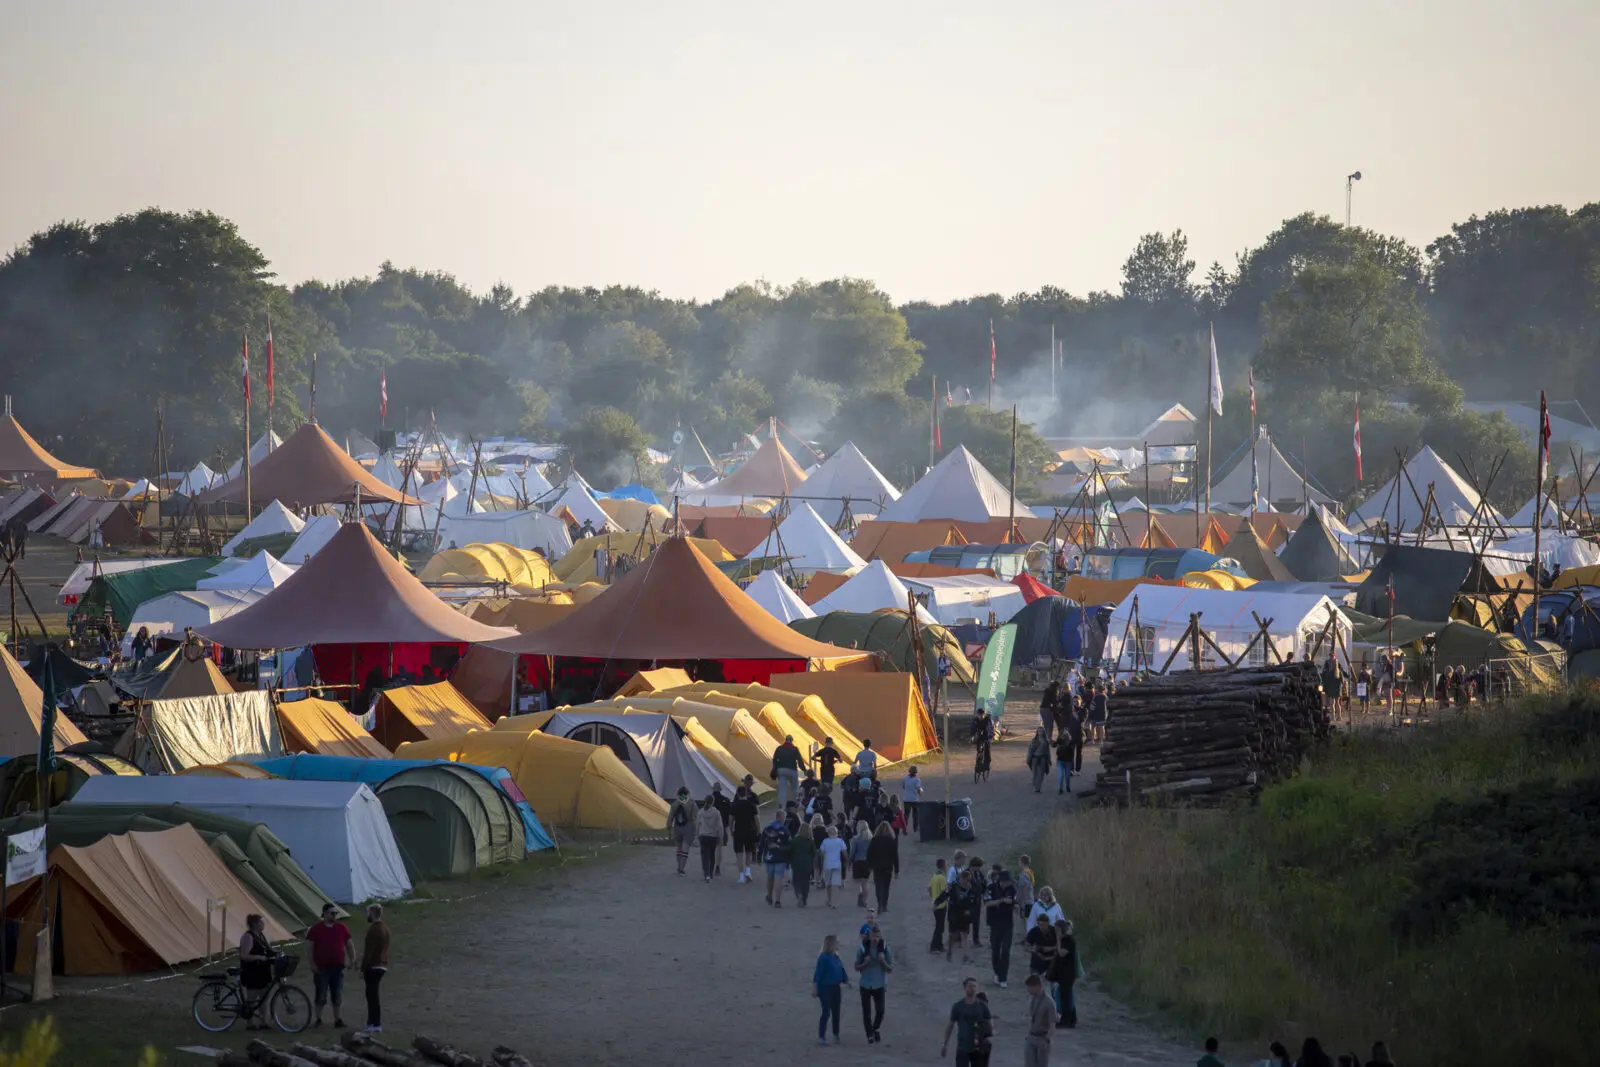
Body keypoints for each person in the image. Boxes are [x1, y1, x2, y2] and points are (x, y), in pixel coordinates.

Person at [306, 903, 354, 1029]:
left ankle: (338, 1019)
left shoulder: (341, 927)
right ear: (325, 914)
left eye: (336, 913)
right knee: (321, 994)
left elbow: (349, 944)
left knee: (337, 994)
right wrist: (312, 963)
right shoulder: (316, 929)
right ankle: (318, 1018)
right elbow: (309, 947)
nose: (334, 915)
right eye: (332, 913)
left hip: (337, 967)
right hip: (321, 967)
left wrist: (352, 959)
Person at [940, 976, 993, 1065]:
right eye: (970, 986)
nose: (972, 989)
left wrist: (988, 1033)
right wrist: (945, 1044)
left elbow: (989, 1021)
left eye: (974, 986)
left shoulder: (982, 1006)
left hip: (978, 1048)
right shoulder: (958, 1006)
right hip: (963, 1047)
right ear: (965, 988)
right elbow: (950, 1025)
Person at [854, 922, 893, 1044]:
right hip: (865, 983)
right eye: (873, 936)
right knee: (866, 1011)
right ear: (869, 936)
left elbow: (890, 969)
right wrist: (865, 963)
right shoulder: (863, 948)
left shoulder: (885, 947)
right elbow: (856, 967)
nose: (875, 939)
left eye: (877, 936)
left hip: (879, 983)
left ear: (880, 936)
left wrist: (883, 961)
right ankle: (869, 1034)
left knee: (880, 1010)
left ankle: (875, 1028)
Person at [237, 913, 274, 1030]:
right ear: (254, 924)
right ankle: (250, 1023)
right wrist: (258, 957)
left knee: (264, 997)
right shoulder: (248, 937)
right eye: (261, 922)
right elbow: (244, 955)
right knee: (252, 998)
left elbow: (267, 950)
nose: (263, 925)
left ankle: (263, 1022)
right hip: (252, 972)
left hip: (263, 971)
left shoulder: (261, 936)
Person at [812, 934, 850, 1046]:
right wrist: (815, 989)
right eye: (837, 942)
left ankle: (836, 1034)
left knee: (836, 1011)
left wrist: (846, 981)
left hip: (836, 987)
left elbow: (841, 970)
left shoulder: (836, 957)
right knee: (826, 1012)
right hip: (825, 988)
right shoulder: (823, 958)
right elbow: (818, 974)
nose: (839, 944)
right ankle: (821, 1036)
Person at [984, 867, 1016, 988]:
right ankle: (997, 971)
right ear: (1001, 880)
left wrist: (1013, 904)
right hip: (995, 924)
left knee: (1006, 950)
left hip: (1008, 924)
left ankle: (1004, 977)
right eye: (1007, 881)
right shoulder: (991, 888)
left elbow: (1014, 901)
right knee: (995, 950)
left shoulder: (1011, 889)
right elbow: (986, 903)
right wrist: (1000, 901)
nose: (1008, 883)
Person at [361, 904, 390, 1033]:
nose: (366, 915)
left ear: (372, 913)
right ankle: (372, 1022)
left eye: (367, 913)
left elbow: (369, 951)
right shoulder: (385, 928)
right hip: (382, 964)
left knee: (372, 995)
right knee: (372, 994)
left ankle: (375, 1023)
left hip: (374, 965)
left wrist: (363, 967)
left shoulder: (374, 930)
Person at [759, 812, 792, 907]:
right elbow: (789, 845)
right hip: (781, 857)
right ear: (781, 818)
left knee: (770, 877)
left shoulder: (767, 829)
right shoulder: (785, 830)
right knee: (779, 878)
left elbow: (761, 843)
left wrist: (759, 855)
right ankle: (777, 900)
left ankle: (769, 895)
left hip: (769, 857)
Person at [731, 782, 760, 884]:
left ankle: (741, 876)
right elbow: (756, 819)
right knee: (749, 852)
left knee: (739, 854)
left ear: (738, 794)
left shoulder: (735, 806)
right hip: (750, 830)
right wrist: (758, 830)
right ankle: (748, 872)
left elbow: (732, 819)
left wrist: (731, 829)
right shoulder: (751, 805)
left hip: (739, 831)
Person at [866, 821, 899, 912]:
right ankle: (884, 904)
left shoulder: (874, 840)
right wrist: (896, 870)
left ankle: (879, 903)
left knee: (878, 886)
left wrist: (869, 866)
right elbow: (895, 857)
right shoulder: (892, 841)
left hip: (877, 867)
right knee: (886, 887)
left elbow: (869, 854)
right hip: (888, 867)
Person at [1051, 919, 1078, 1028]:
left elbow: (1061, 953)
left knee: (1065, 997)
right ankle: (1070, 1019)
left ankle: (1066, 1020)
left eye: (1057, 929)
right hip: (1064, 972)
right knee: (1065, 995)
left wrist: (1058, 939)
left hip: (1068, 972)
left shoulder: (1068, 940)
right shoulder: (1065, 939)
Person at [1024, 974, 1054, 1067]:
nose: (1028, 990)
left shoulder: (1049, 1003)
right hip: (1031, 1036)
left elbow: (1052, 1024)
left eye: (1030, 987)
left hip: (1042, 1038)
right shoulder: (1032, 999)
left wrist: (1047, 1040)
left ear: (1037, 986)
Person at [667, 787, 697, 876]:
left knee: (679, 848)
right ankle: (682, 868)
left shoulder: (675, 803)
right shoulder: (691, 803)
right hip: (688, 826)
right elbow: (695, 816)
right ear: (687, 793)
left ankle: (679, 865)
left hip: (677, 826)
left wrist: (669, 828)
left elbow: (670, 817)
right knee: (685, 848)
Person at [817, 824, 848, 907]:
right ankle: (836, 902)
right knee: (835, 884)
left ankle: (830, 900)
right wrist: (847, 861)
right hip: (837, 865)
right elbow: (845, 852)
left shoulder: (825, 841)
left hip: (827, 864)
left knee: (828, 884)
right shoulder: (840, 841)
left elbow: (822, 853)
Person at [789, 817, 817, 906]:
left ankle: (799, 894)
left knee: (796, 881)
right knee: (806, 881)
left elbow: (790, 851)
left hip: (796, 863)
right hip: (807, 864)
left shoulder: (795, 840)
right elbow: (814, 853)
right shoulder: (810, 841)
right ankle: (804, 898)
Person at [695, 796, 724, 882]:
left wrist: (697, 835)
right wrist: (720, 836)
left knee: (704, 856)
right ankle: (710, 873)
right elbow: (719, 826)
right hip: (713, 836)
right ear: (713, 802)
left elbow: (698, 825)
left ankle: (706, 874)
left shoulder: (701, 812)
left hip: (703, 836)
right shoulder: (716, 812)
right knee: (712, 855)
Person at [772, 733, 804, 809]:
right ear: (791, 741)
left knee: (782, 789)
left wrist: (774, 769)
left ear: (785, 740)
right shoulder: (795, 749)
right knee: (794, 788)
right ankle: (795, 804)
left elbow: (774, 759)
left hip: (781, 770)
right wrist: (804, 770)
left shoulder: (779, 748)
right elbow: (799, 760)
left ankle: (782, 806)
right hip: (792, 770)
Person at [849, 819, 873, 908]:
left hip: (858, 861)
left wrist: (849, 862)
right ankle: (865, 899)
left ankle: (860, 895)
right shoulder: (871, 839)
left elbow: (852, 852)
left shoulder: (855, 839)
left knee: (858, 881)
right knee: (865, 882)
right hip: (867, 861)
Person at [929, 857, 949, 952]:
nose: (947, 866)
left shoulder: (934, 876)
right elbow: (944, 892)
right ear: (943, 866)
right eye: (946, 864)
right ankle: (934, 946)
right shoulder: (942, 878)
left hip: (934, 904)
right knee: (939, 927)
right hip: (941, 905)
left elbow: (929, 889)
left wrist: (932, 898)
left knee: (939, 926)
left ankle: (940, 946)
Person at [1026, 728, 1051, 793]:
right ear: (1037, 733)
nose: (1040, 733)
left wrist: (1049, 760)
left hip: (1042, 758)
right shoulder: (1034, 741)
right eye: (1039, 731)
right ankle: (1035, 786)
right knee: (1035, 774)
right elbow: (1030, 751)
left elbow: (1047, 752)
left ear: (1043, 733)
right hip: (1035, 758)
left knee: (1041, 774)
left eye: (1041, 731)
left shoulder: (1046, 741)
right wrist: (1028, 759)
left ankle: (1038, 788)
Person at [900, 766, 924, 832]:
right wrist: (920, 794)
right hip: (914, 799)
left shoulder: (905, 778)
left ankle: (905, 827)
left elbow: (903, 786)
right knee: (915, 814)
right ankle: (915, 828)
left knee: (906, 814)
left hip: (906, 798)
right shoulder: (917, 779)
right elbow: (918, 788)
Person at [1053, 729, 1073, 796]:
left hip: (1068, 761)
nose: (1064, 736)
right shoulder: (1059, 740)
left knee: (1067, 776)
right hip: (1060, 760)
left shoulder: (1071, 743)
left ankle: (1068, 786)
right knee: (1061, 775)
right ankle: (1060, 789)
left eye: (1065, 735)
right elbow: (1054, 745)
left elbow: (1072, 754)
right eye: (1063, 735)